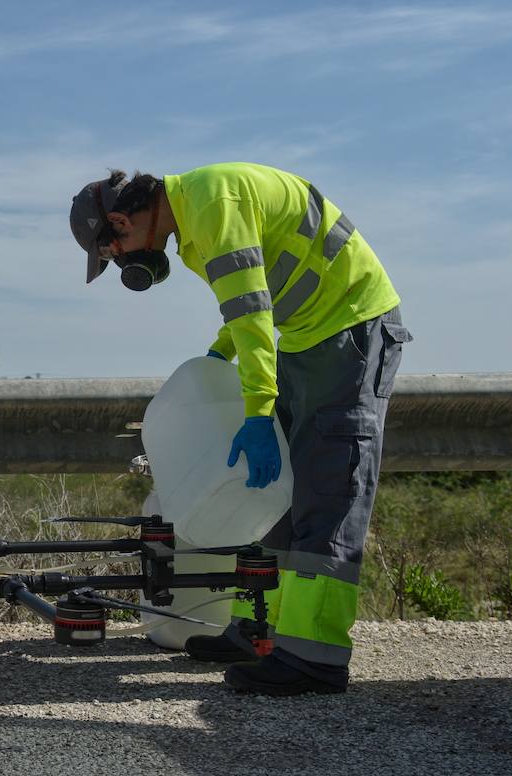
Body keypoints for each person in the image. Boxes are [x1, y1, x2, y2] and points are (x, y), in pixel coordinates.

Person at [69, 163, 411, 696]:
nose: (125, 264)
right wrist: (220, 351)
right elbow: (252, 301)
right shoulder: (193, 222)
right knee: (280, 498)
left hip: (349, 331)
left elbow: (252, 312)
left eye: (114, 253)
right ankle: (260, 633)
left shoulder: (210, 206)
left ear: (121, 220)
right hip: (305, 336)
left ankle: (313, 659)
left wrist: (257, 411)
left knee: (328, 494)